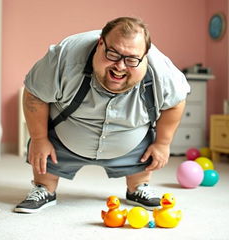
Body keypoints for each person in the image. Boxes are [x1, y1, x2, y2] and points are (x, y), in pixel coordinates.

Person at [14, 17, 190, 213]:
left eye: (131, 59)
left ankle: (139, 187)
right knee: (45, 158)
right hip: (65, 134)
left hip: (131, 140)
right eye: (113, 54)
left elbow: (175, 103)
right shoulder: (64, 57)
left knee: (144, 155)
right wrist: (39, 139)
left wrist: (163, 143)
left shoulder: (163, 72)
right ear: (100, 43)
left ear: (145, 55)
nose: (120, 66)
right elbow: (35, 94)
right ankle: (43, 188)